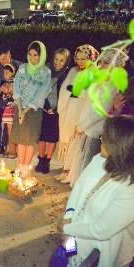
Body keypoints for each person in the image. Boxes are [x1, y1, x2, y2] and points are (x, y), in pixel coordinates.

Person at [60, 115, 134, 267]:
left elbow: (102, 230)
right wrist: (69, 216)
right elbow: (79, 186)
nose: (101, 141)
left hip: (98, 254)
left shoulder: (130, 188)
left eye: (104, 138)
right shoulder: (99, 160)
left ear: (118, 145)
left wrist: (66, 228)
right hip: (74, 238)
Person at [64, 48, 128, 188]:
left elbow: (101, 111)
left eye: (105, 63)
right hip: (85, 126)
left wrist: (81, 126)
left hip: (93, 130)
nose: (101, 66)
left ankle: (83, 191)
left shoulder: (112, 86)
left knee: (87, 163)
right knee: (80, 159)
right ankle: (77, 188)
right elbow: (85, 96)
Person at [57, 45, 99, 182]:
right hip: (70, 107)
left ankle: (72, 172)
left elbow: (91, 93)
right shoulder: (73, 71)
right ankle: (65, 168)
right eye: (78, 58)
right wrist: (71, 91)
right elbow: (65, 88)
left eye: (84, 59)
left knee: (76, 141)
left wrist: (77, 91)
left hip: (82, 110)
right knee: (67, 139)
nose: (80, 62)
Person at [10, 41, 51, 178]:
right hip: (20, 107)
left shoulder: (45, 72)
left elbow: (42, 94)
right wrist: (20, 109)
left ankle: (26, 166)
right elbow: (16, 88)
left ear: (42, 55)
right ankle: (20, 165)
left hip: (33, 110)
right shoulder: (22, 68)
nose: (33, 58)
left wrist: (25, 111)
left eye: (36, 55)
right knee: (21, 139)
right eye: (31, 55)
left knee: (30, 140)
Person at [35, 48, 71, 174]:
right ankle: (41, 160)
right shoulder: (46, 71)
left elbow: (66, 95)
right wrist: (47, 106)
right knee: (42, 138)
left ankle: (47, 161)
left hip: (58, 112)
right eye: (56, 59)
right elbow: (41, 90)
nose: (58, 63)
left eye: (62, 60)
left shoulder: (67, 75)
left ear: (66, 61)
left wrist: (56, 109)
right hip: (45, 110)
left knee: (52, 138)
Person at [0, 48, 22, 154]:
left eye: (3, 59)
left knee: (8, 123)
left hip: (10, 101)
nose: (1, 61)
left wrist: (12, 89)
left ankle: (4, 144)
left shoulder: (19, 65)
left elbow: (22, 82)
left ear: (9, 56)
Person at [0, 64, 17, 159]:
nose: (5, 75)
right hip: (12, 107)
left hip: (11, 108)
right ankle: (14, 151)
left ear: (12, 73)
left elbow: (7, 94)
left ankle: (12, 152)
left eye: (7, 73)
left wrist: (5, 90)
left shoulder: (11, 83)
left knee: (11, 132)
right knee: (13, 131)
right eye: (4, 74)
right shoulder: (10, 82)